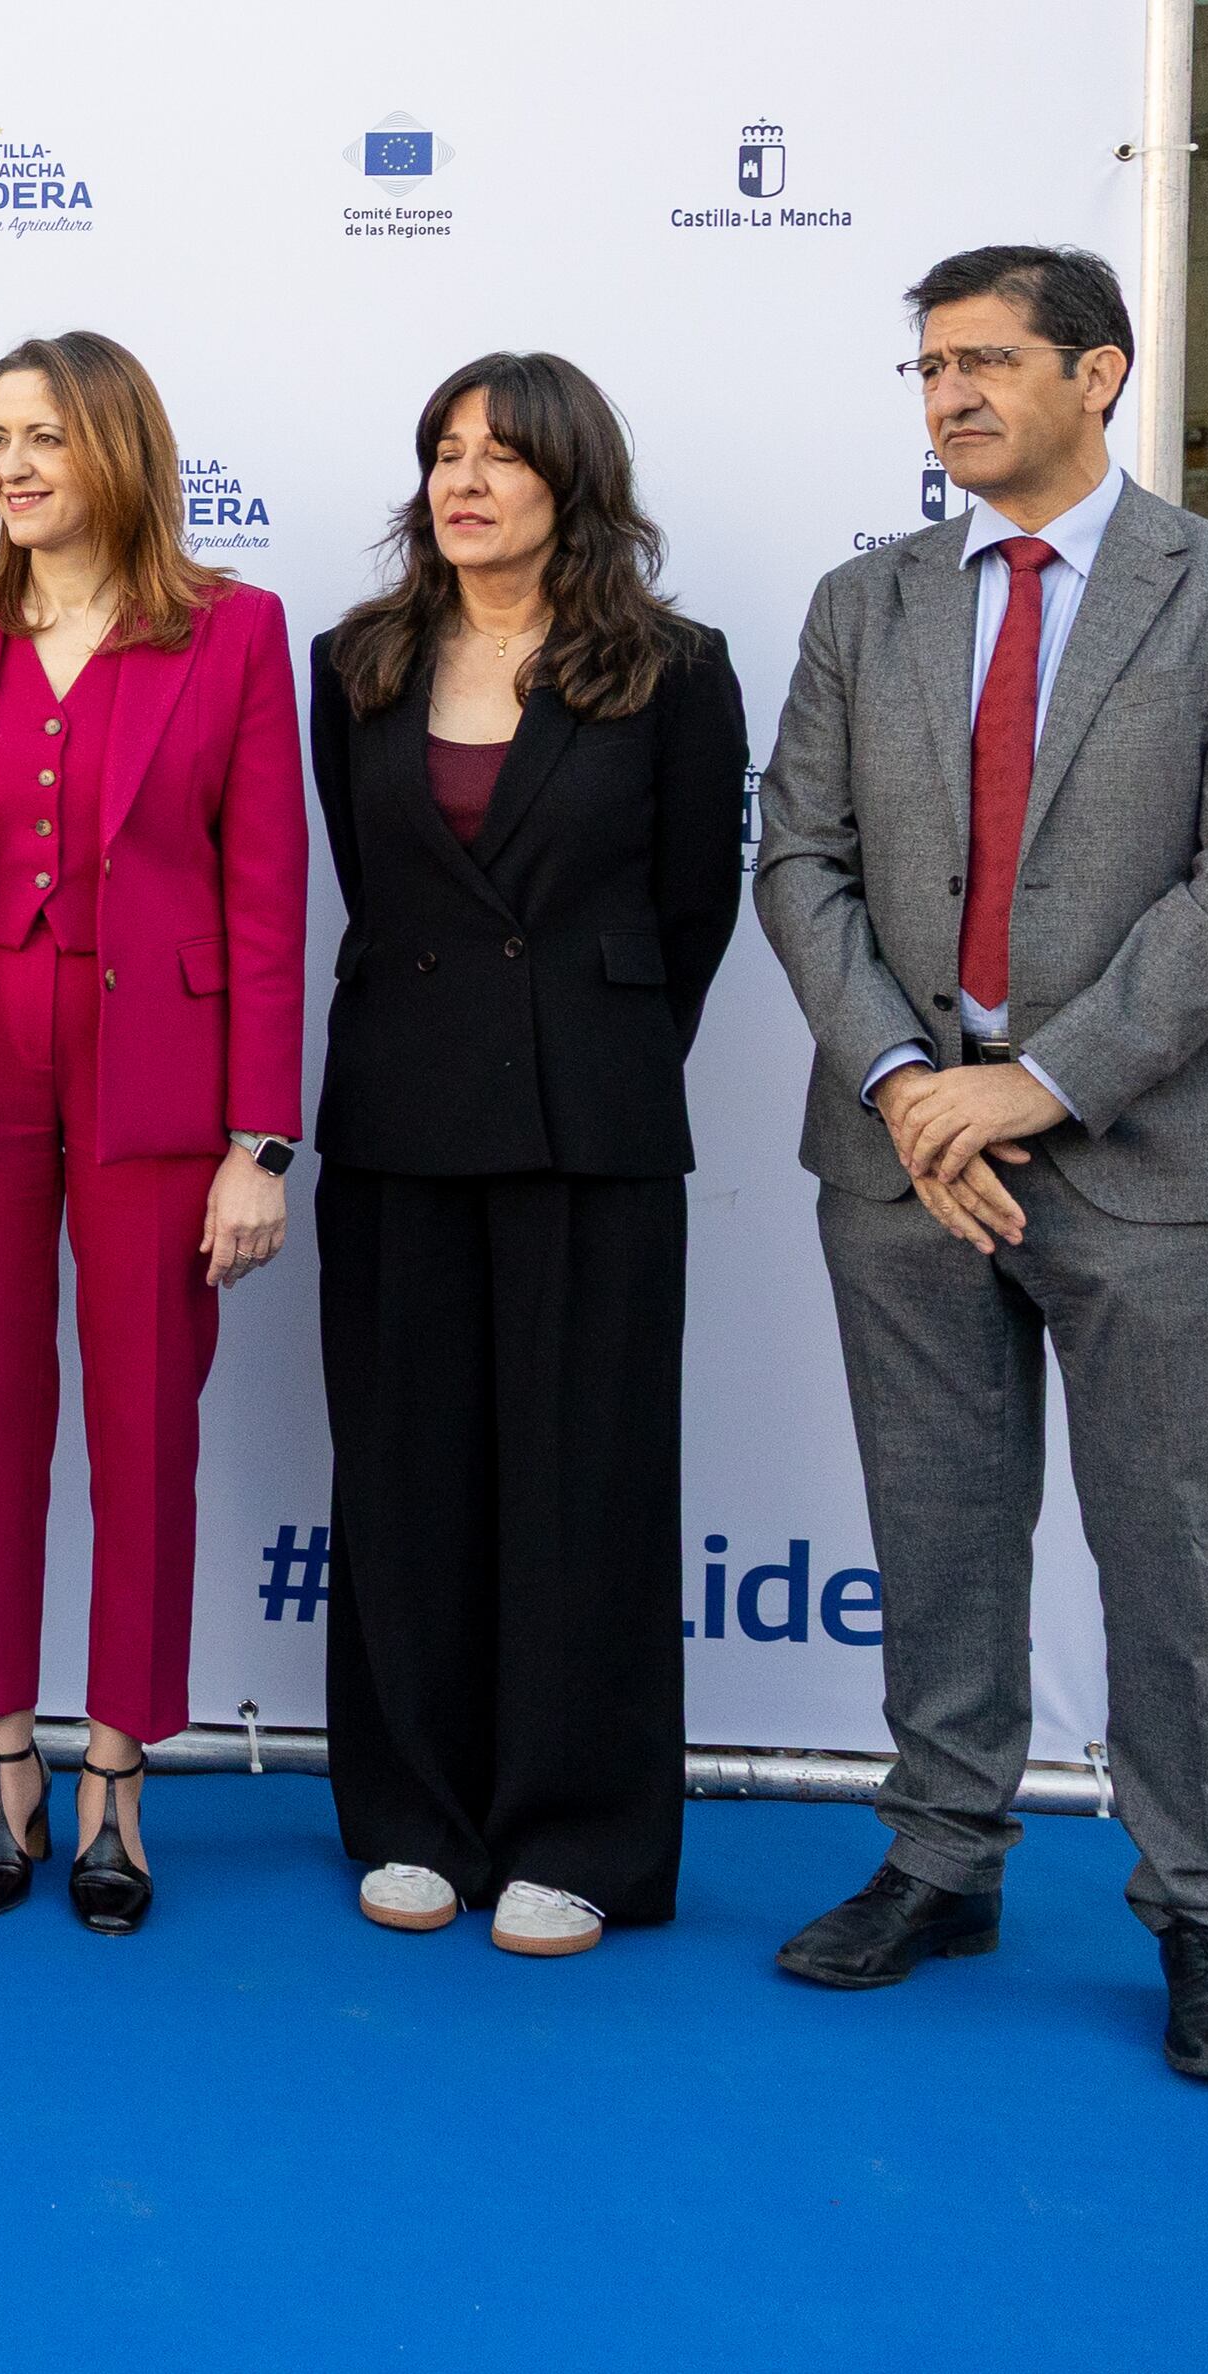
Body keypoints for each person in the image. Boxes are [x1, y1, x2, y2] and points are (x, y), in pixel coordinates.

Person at [755, 243, 1208, 2088]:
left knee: (1168, 1548)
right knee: (936, 1522)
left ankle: (1207, 1907)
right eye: (928, 367)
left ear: (1101, 370)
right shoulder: (870, 600)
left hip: (1160, 1154)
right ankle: (943, 1852)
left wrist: (1042, 1081)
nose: (950, 396)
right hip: (902, 1149)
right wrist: (914, 1077)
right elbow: (801, 858)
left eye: (989, 360)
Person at [307, 354, 746, 1960]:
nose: (464, 479)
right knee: (408, 1470)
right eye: (442, 451)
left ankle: (582, 1833)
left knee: (588, 1480)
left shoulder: (674, 670)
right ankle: (413, 1814)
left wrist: (585, 1052)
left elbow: (691, 910)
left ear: (576, 477)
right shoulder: (353, 661)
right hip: (402, 1117)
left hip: (593, 1123)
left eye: (501, 453)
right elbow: (377, 886)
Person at [0, 329, 299, 1934]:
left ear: (117, 446)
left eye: (45, 434)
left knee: (146, 1425)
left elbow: (268, 898)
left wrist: (262, 1138)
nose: (13, 466)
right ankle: (0, 1754)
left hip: (160, 1090)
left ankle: (118, 1762)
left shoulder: (235, 631)